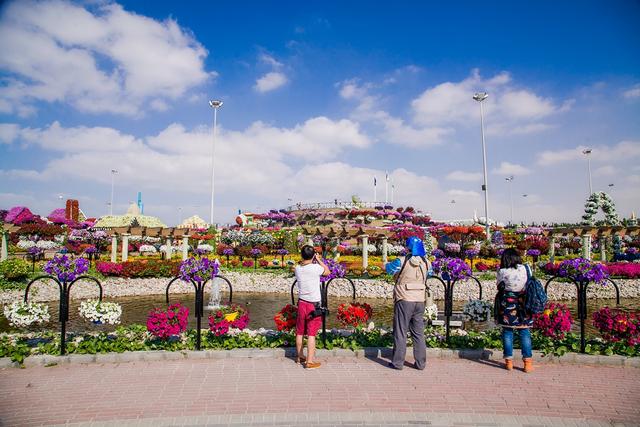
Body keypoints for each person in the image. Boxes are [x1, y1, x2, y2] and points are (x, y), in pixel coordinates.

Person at [387, 236, 429, 370]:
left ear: (408, 247)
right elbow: (429, 275)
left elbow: (389, 270)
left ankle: (398, 363)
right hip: (420, 300)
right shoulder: (427, 262)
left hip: (404, 299)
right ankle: (421, 363)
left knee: (400, 331)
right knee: (419, 333)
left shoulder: (401, 261)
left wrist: (385, 264)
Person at [495, 248, 534, 372]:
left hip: (507, 304)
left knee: (507, 332)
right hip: (524, 304)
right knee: (524, 332)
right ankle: (527, 363)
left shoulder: (502, 271)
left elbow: (499, 286)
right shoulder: (526, 268)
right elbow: (530, 282)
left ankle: (509, 362)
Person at [294, 245, 330, 369]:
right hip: (313, 305)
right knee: (311, 334)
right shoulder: (315, 268)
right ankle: (309, 362)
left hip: (301, 303)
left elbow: (302, 263)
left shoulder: (297, 268)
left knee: (299, 332)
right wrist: (319, 260)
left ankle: (299, 357)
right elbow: (327, 271)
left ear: (301, 255)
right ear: (313, 255)